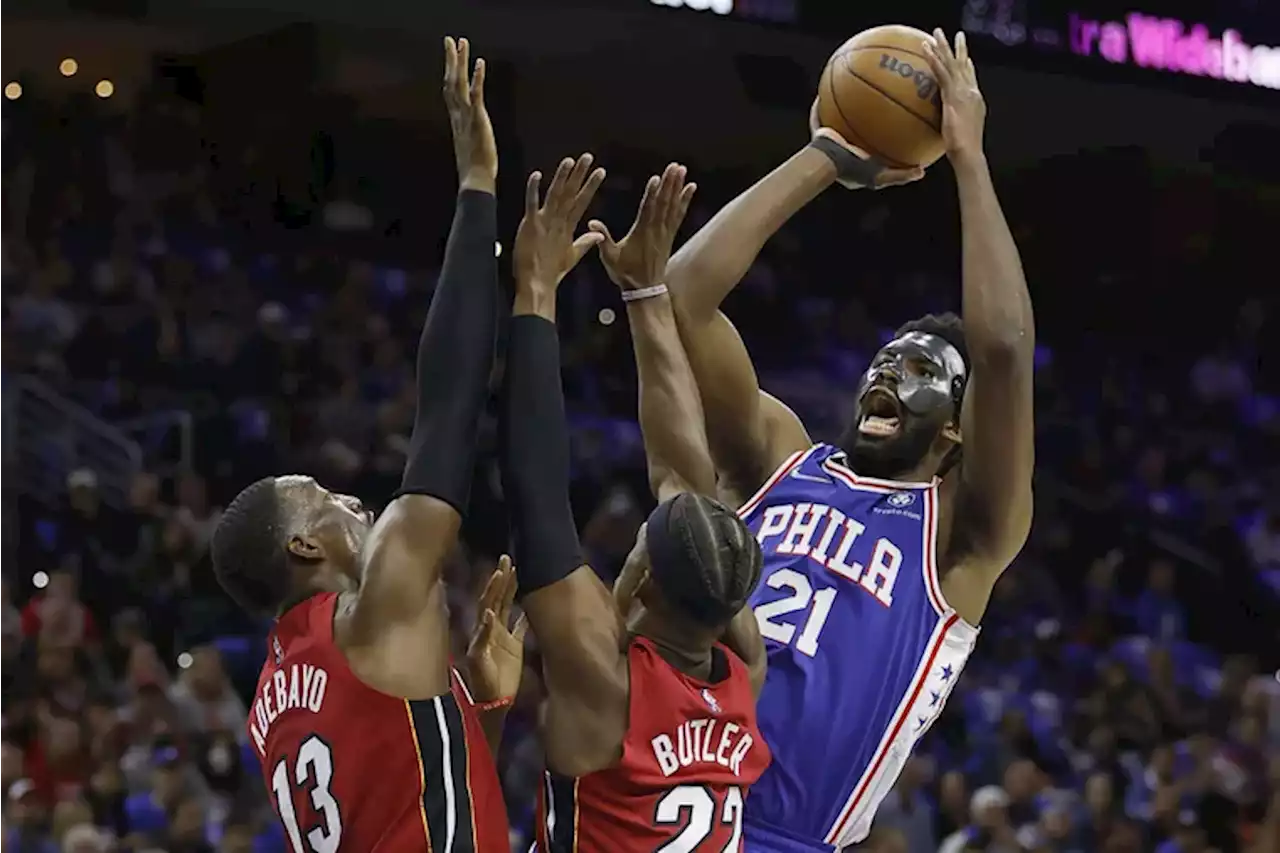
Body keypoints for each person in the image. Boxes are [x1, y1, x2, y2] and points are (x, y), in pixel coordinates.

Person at [662, 30, 1035, 851]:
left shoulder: (963, 536)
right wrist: (827, 155)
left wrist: (967, 156)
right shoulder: (778, 457)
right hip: (661, 793)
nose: (887, 374)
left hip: (784, 834)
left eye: (919, 369)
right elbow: (683, 294)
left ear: (959, 428)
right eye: (883, 358)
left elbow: (1004, 350)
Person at [209, 37, 517, 852]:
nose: (355, 502)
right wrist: (478, 187)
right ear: (305, 543)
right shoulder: (370, 611)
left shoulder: (269, 702)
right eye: (329, 499)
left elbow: (397, 790)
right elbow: (447, 409)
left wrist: (475, 704)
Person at [500, 157, 771, 851]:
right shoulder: (742, 677)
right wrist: (646, 293)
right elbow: (687, 482)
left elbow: (538, 494)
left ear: (645, 578)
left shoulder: (603, 682)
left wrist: (535, 291)